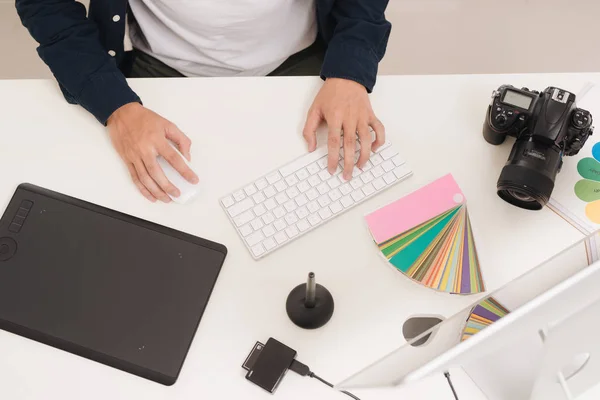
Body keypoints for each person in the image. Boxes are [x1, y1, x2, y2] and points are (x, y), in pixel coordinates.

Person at [16, 0, 391, 203]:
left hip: (301, 60)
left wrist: (350, 69)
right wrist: (113, 104)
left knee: (334, 197)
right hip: (159, 69)